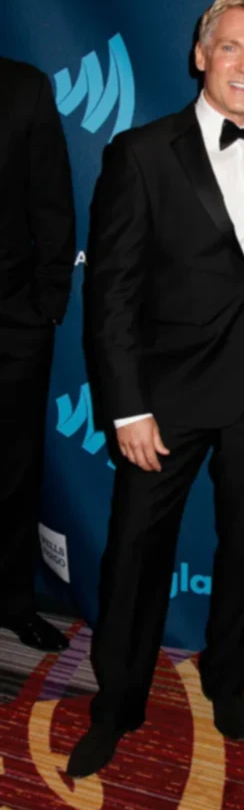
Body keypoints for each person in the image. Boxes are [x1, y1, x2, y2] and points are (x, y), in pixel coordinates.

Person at [68, 0, 244, 778]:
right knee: (137, 552)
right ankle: (117, 703)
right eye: (232, 48)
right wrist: (128, 405)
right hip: (164, 399)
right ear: (201, 55)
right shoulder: (141, 152)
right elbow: (109, 293)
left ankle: (227, 678)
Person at [0, 57, 75, 653]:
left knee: (15, 471)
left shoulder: (22, 87)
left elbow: (53, 204)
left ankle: (14, 604)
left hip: (11, 323)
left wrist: (44, 308)